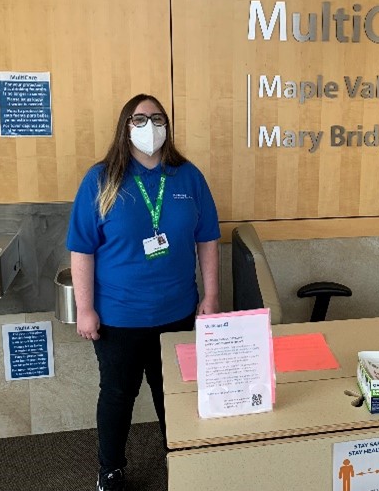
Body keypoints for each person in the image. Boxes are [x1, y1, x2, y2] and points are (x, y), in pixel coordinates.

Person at [66, 93, 220, 491]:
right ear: (125, 127)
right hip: (119, 317)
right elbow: (81, 248)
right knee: (118, 395)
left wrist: (211, 296)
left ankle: (182, 458)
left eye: (156, 117)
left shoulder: (188, 177)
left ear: (167, 126)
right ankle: (110, 470)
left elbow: (208, 240)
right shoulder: (101, 178)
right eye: (139, 119)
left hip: (179, 311)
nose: (149, 125)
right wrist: (85, 309)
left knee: (174, 394)